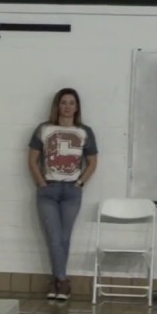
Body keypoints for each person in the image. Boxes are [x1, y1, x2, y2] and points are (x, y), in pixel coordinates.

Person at [28, 88, 99, 301]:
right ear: (57, 106)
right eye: (63, 103)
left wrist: (80, 182)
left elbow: (92, 162)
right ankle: (62, 280)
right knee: (54, 237)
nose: (67, 107)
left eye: (71, 103)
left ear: (77, 107)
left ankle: (58, 281)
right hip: (48, 190)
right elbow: (32, 160)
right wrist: (41, 183)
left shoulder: (85, 131)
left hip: (71, 191)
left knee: (65, 237)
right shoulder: (44, 129)